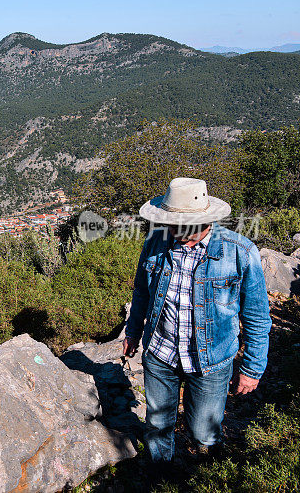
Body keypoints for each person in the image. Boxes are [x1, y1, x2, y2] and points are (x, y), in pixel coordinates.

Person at [123, 177, 271, 473]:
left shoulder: (239, 251)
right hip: (161, 353)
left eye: (182, 224)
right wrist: (133, 331)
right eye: (171, 223)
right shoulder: (155, 242)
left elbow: (256, 316)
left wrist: (252, 369)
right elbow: (142, 292)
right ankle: (161, 477)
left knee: (204, 430)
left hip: (212, 359)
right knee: (157, 424)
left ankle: (206, 474)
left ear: (206, 220)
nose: (174, 231)